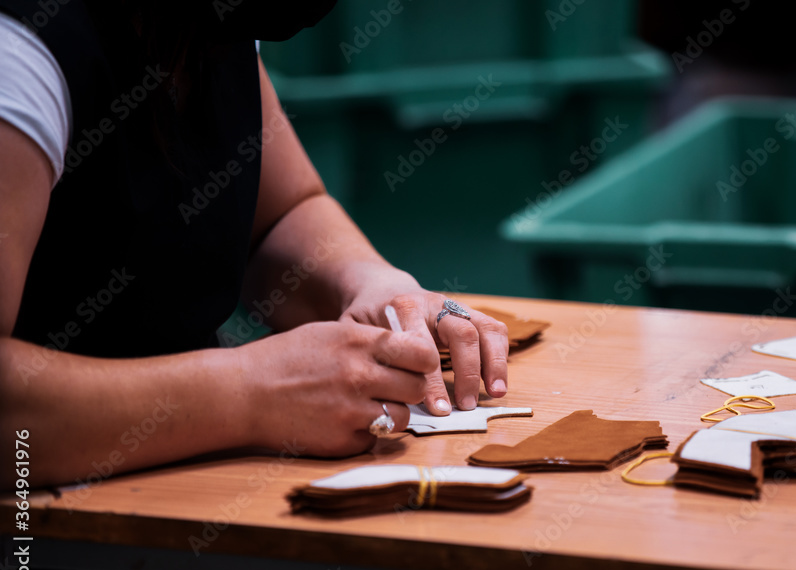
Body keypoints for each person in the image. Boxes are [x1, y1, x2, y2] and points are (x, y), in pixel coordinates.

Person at [0, 0, 510, 491]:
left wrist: (370, 283)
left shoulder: (205, 20)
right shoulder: (20, 47)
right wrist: (248, 393)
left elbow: (281, 214)